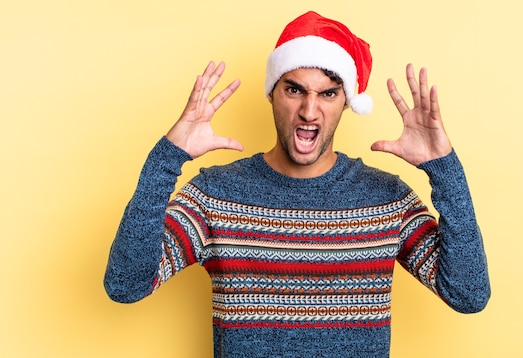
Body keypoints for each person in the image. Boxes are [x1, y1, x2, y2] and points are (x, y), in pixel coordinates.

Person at [104, 11, 490, 358]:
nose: (309, 110)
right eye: (294, 89)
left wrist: (445, 170)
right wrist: (166, 158)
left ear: (346, 102)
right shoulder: (215, 196)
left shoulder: (386, 200)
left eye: (328, 93)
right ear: (272, 93)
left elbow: (468, 295)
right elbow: (126, 285)